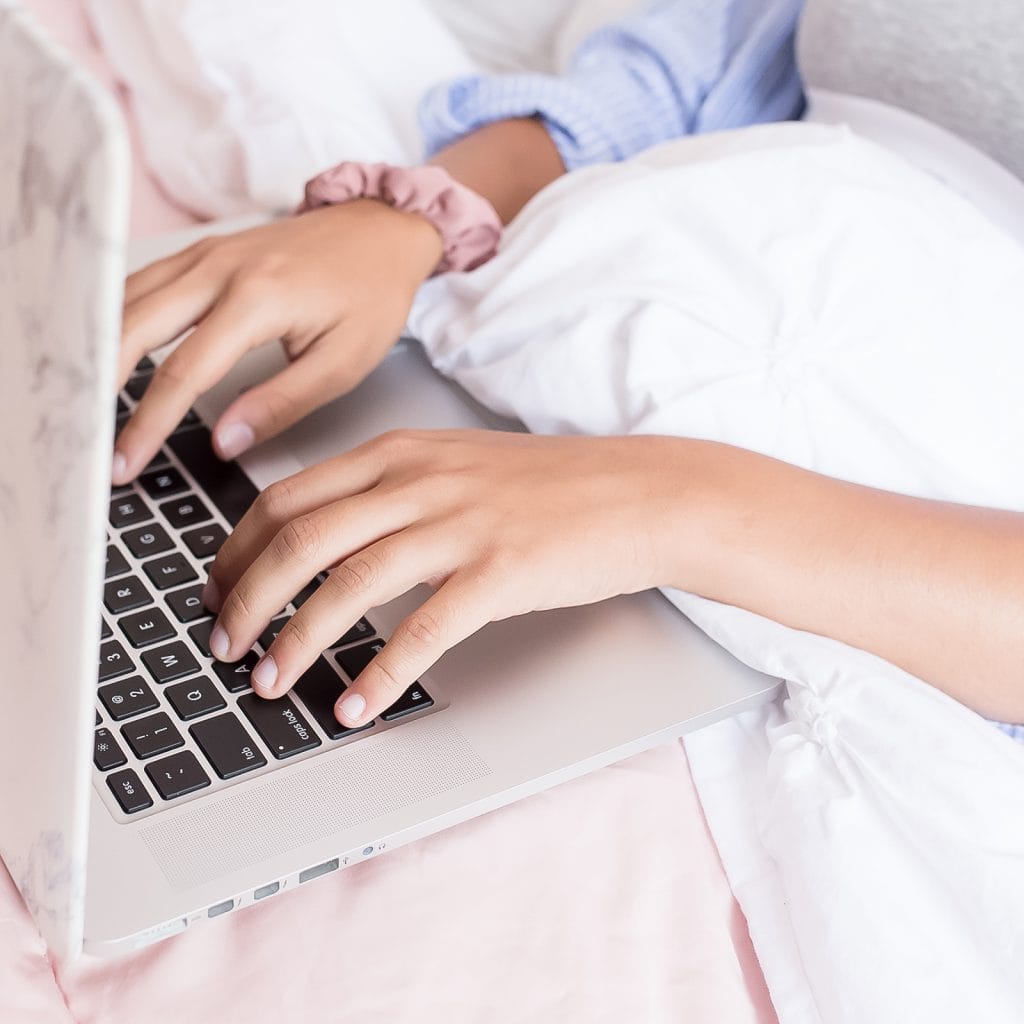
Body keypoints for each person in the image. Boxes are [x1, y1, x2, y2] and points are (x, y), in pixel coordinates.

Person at [113, 0, 1024, 735]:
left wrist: (665, 499)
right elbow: (700, 68)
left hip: (890, 598)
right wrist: (404, 222)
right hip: (558, 391)